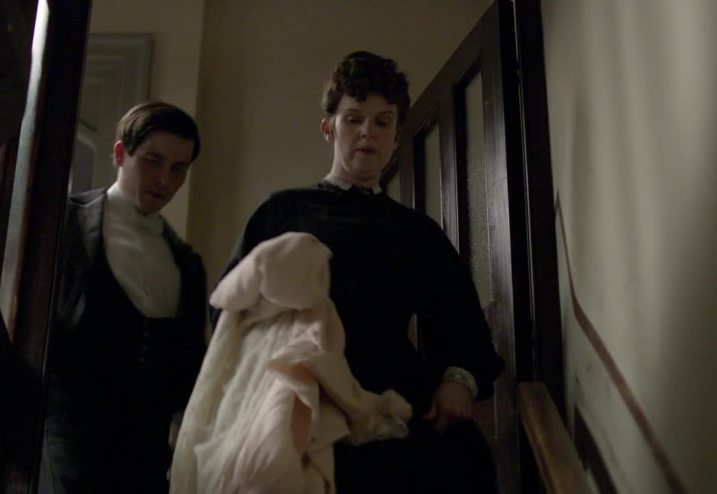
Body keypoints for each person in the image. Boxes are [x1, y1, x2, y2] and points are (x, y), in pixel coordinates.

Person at [218, 51, 504, 493]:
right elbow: (231, 313)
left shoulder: (416, 232)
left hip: (390, 404)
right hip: (298, 400)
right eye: (354, 119)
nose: (368, 132)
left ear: (396, 136)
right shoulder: (283, 212)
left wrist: (459, 381)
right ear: (329, 128)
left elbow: (460, 321)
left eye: (382, 122)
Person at [40, 102, 207, 493]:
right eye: (152, 161)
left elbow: (190, 365)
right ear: (120, 154)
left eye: (178, 169)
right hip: (69, 445)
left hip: (148, 457)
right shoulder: (65, 226)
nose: (164, 179)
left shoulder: (186, 263)